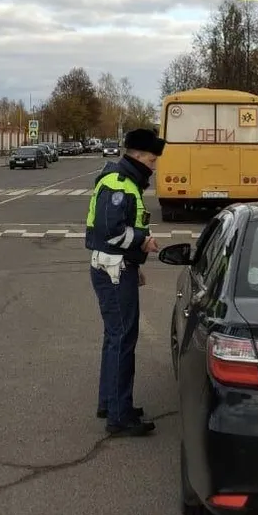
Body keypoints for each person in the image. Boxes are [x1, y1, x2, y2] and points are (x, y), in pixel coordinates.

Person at [85, 128, 165, 437]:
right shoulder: (119, 184)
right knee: (122, 340)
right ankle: (120, 417)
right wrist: (143, 241)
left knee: (114, 337)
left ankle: (110, 403)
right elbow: (112, 231)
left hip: (117, 266)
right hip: (114, 270)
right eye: (152, 160)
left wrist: (135, 263)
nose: (154, 166)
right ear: (140, 156)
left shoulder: (124, 181)